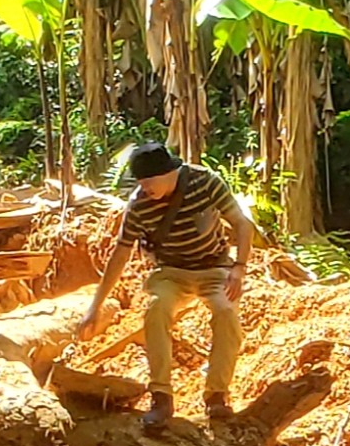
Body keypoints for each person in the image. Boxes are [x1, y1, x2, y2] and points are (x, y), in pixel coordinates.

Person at [79, 140, 255, 427]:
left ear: (168, 173)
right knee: (156, 309)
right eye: (140, 183)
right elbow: (120, 253)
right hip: (171, 272)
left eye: (149, 182)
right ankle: (161, 396)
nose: (145, 189)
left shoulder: (205, 182)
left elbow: (241, 223)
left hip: (214, 268)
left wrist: (239, 268)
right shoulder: (138, 204)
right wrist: (94, 307)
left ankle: (217, 396)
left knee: (225, 313)